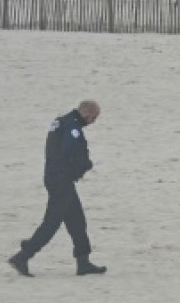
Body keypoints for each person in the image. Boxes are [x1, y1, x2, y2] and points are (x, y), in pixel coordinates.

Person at [8, 100, 107, 276]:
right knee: (52, 223)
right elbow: (71, 152)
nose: (94, 121)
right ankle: (23, 256)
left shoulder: (62, 122)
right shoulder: (72, 127)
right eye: (94, 117)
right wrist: (84, 165)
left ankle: (83, 262)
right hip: (61, 179)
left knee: (77, 221)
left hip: (59, 178)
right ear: (87, 113)